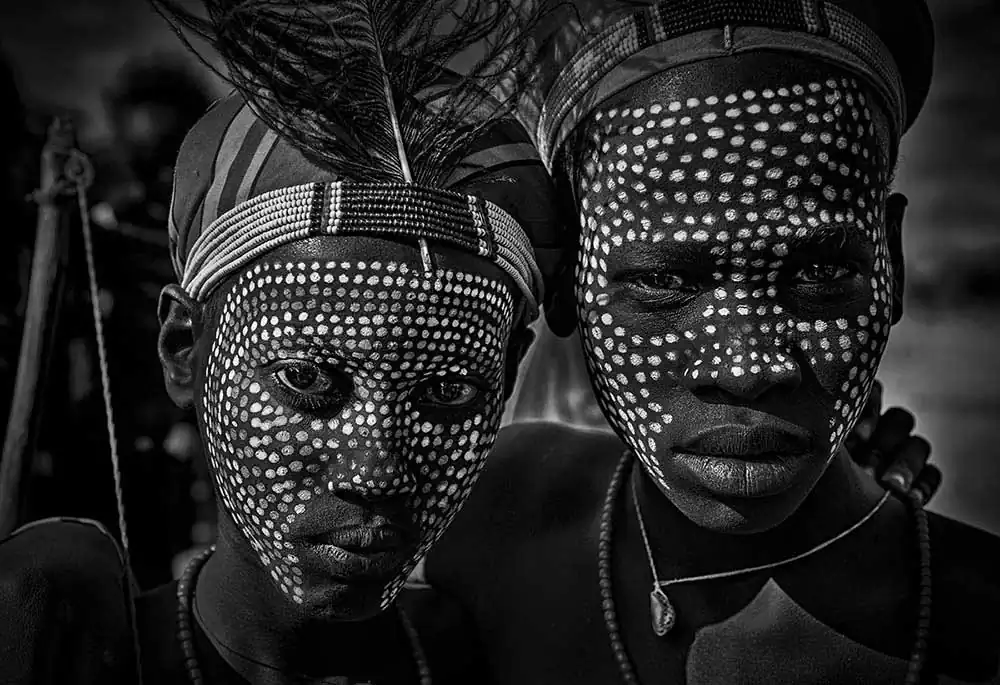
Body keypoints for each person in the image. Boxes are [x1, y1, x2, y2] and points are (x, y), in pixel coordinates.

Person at [407, 1, 999, 683]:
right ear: (568, 280)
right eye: (662, 280)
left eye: (819, 272)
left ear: (890, 263)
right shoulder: (493, 514)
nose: (747, 368)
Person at [0, 0, 560, 682]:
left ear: (508, 373)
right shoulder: (73, 653)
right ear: (184, 350)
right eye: (305, 378)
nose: (375, 471)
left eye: (447, 390)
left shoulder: (504, 647)